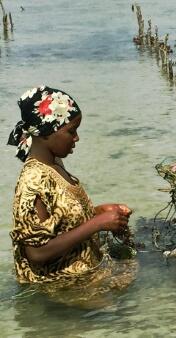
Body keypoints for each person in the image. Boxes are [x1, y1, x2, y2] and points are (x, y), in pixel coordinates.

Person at [7, 86, 136, 302]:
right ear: (47, 131)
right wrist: (97, 224)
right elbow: (37, 253)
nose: (76, 138)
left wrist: (99, 213)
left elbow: (61, 221)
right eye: (71, 131)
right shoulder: (33, 181)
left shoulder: (54, 163)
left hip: (84, 273)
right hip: (60, 288)